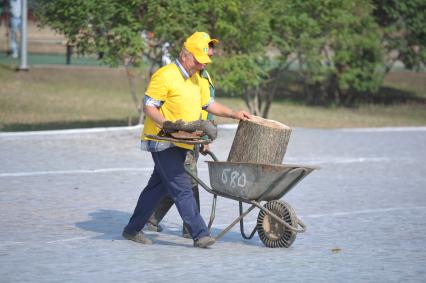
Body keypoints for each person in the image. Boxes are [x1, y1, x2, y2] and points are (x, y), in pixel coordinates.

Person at [122, 31, 251, 248]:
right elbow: (149, 105)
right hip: (163, 140)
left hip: (184, 141)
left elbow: (208, 104)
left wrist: (233, 114)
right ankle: (199, 234)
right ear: (185, 55)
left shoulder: (197, 79)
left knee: (157, 188)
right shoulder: (165, 75)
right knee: (182, 186)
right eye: (198, 60)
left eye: (204, 61)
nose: (201, 65)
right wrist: (166, 124)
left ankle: (132, 229)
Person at [146, 37, 218, 238]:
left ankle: (149, 218)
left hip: (194, 136)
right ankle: (193, 229)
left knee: (170, 179)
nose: (207, 60)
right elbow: (153, 105)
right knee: (185, 181)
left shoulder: (202, 76)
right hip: (179, 136)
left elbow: (206, 108)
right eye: (204, 55)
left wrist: (204, 137)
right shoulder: (181, 75)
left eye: (209, 56)